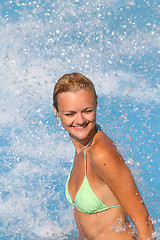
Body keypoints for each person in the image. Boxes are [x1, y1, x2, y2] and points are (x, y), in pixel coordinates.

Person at [52, 72, 155, 240]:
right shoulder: (82, 146)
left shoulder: (101, 153)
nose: (80, 120)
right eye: (70, 114)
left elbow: (144, 223)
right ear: (56, 110)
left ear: (96, 104)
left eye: (87, 111)